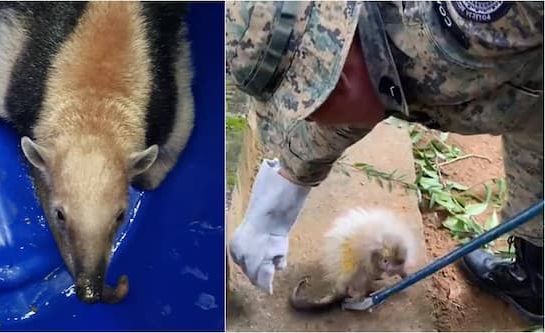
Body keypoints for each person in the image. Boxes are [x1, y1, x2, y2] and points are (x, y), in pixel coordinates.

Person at [226, 1, 543, 323]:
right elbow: (352, 105)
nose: (313, 120)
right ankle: (536, 280)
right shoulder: (378, 48)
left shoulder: (473, 19)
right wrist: (281, 194)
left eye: (310, 105)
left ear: (340, 79)